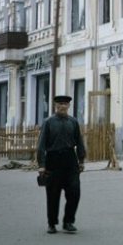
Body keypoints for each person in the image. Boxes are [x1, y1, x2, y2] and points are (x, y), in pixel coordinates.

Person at [37, 95, 86, 235]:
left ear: (69, 106)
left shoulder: (73, 122)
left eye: (65, 104)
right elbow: (41, 145)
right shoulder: (48, 122)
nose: (62, 106)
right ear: (55, 106)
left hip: (70, 159)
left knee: (75, 192)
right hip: (53, 159)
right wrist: (41, 164)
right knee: (53, 194)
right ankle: (51, 223)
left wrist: (81, 160)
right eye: (59, 104)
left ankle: (68, 222)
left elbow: (79, 142)